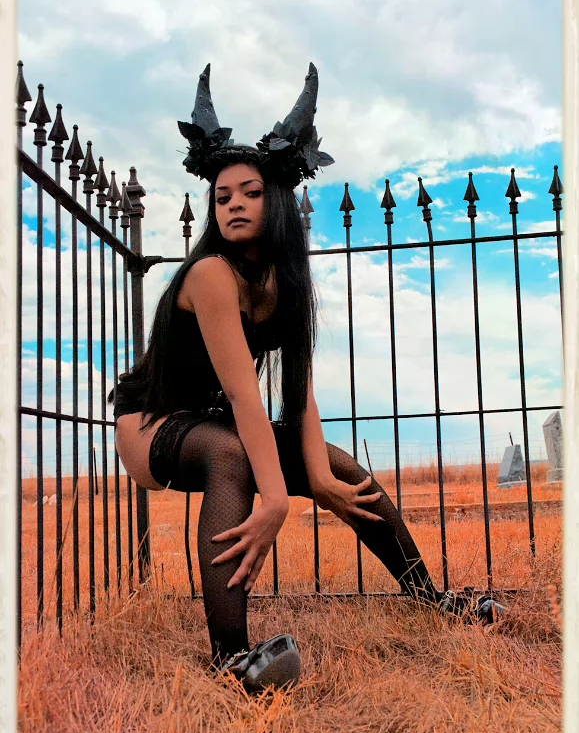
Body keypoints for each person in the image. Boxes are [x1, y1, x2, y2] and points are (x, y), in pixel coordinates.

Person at [109, 64, 502, 693]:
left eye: (250, 192)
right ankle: (232, 659)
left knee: (338, 464)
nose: (234, 204)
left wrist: (318, 479)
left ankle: (431, 597)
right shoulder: (210, 274)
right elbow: (245, 397)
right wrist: (273, 500)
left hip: (214, 419)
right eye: (222, 197)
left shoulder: (286, 283)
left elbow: (300, 398)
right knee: (232, 452)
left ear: (277, 202)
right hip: (152, 424)